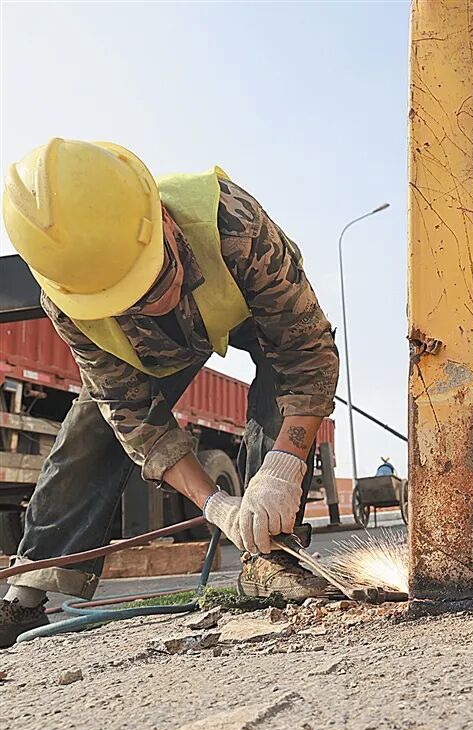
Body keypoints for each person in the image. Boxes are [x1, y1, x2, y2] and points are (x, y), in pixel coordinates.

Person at [0, 139, 339, 646]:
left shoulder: (233, 223)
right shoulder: (69, 302)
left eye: (158, 276)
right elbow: (135, 417)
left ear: (162, 218)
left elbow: (305, 353)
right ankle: (29, 591)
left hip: (246, 310)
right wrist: (214, 504)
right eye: (131, 296)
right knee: (90, 427)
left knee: (281, 378)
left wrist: (283, 467)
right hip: (151, 352)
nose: (158, 301)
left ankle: (270, 556)